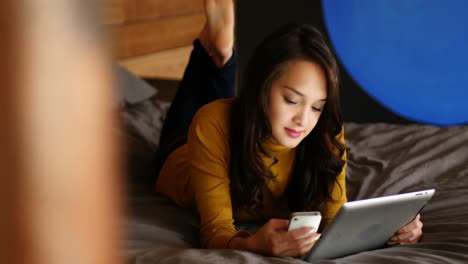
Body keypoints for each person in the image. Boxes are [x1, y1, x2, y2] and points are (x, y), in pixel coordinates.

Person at [155, 0, 423, 257]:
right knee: (214, 111)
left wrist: (391, 232)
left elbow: (335, 222)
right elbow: (216, 232)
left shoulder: (325, 130)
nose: (303, 120)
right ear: (262, 88)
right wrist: (254, 246)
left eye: (317, 106)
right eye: (292, 100)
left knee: (232, 110)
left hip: (242, 118)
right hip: (181, 157)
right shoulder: (211, 123)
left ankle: (222, 53)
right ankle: (217, 53)